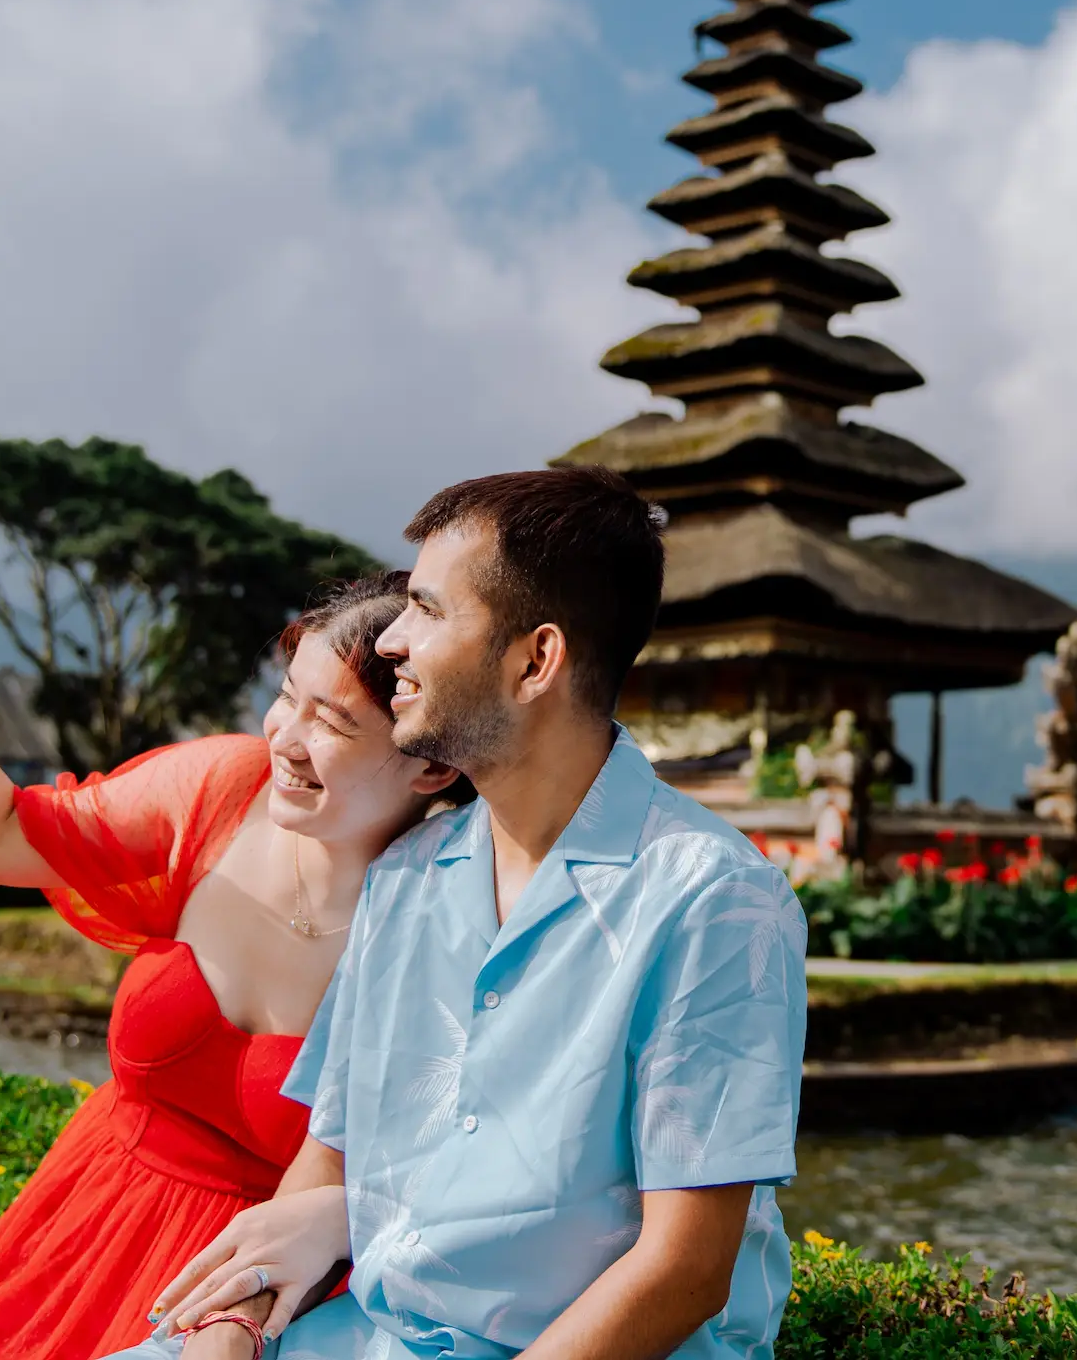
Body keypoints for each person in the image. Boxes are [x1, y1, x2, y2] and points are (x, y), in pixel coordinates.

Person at [127, 469, 809, 1360]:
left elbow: (685, 1266)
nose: (395, 643)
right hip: (365, 1335)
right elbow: (326, 1159)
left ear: (536, 660)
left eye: (427, 609)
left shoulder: (714, 900)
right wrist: (234, 1325)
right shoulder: (408, 877)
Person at [0, 515, 464, 1360]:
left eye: (332, 724)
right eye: (286, 696)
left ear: (431, 763)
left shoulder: (448, 908)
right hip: (71, 1240)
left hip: (267, 1303)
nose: (285, 737)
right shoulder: (220, 789)